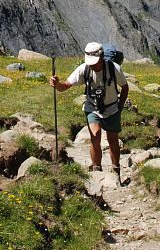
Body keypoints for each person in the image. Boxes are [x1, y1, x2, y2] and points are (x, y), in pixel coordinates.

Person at [49, 41, 128, 178]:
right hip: (92, 107)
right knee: (95, 137)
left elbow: (125, 87)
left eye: (95, 61)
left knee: (113, 140)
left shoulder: (114, 68)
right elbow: (66, 86)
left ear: (102, 57)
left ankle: (116, 170)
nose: (92, 64)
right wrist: (57, 84)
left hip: (112, 108)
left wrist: (120, 107)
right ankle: (97, 171)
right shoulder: (84, 69)